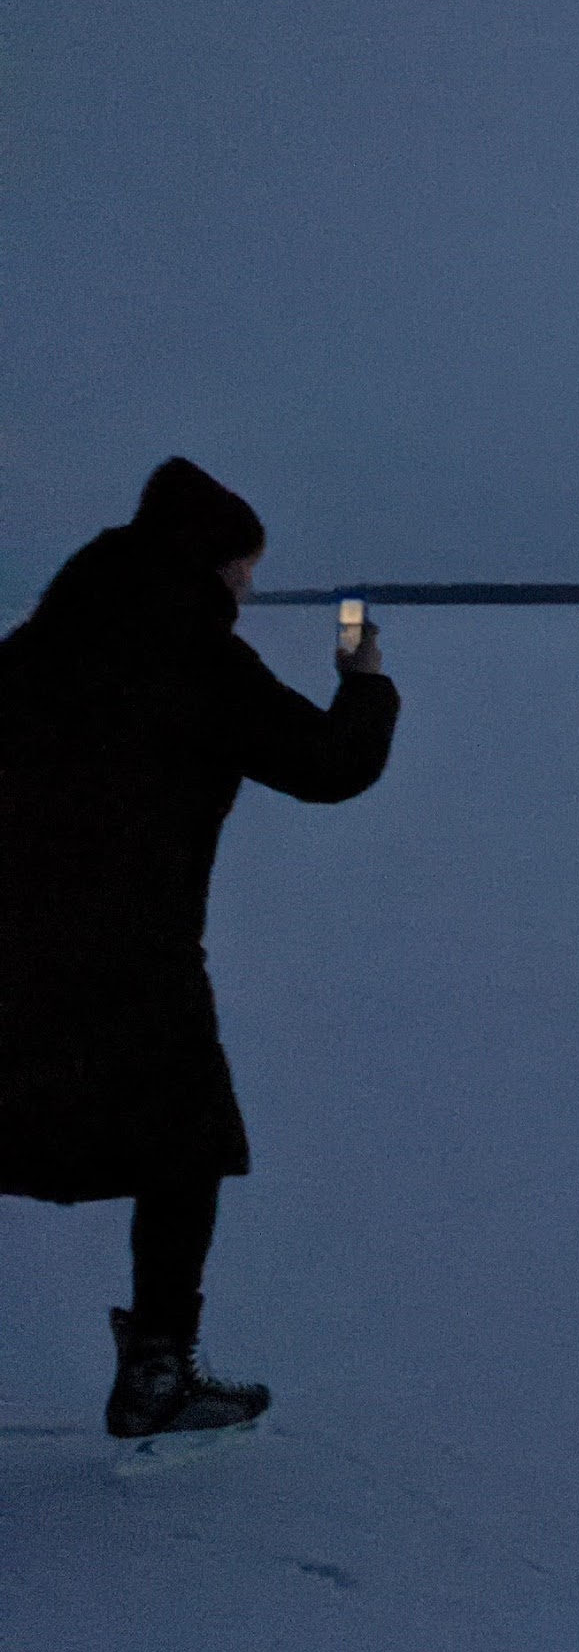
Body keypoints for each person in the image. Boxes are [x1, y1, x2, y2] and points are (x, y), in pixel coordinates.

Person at [0, 459, 399, 1438]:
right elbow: (329, 767)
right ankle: (157, 1375)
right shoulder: (195, 660)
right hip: (133, 958)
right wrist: (366, 681)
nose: (247, 589)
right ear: (205, 564)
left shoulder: (37, 648)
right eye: (243, 570)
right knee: (182, 1149)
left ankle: (158, 1375)